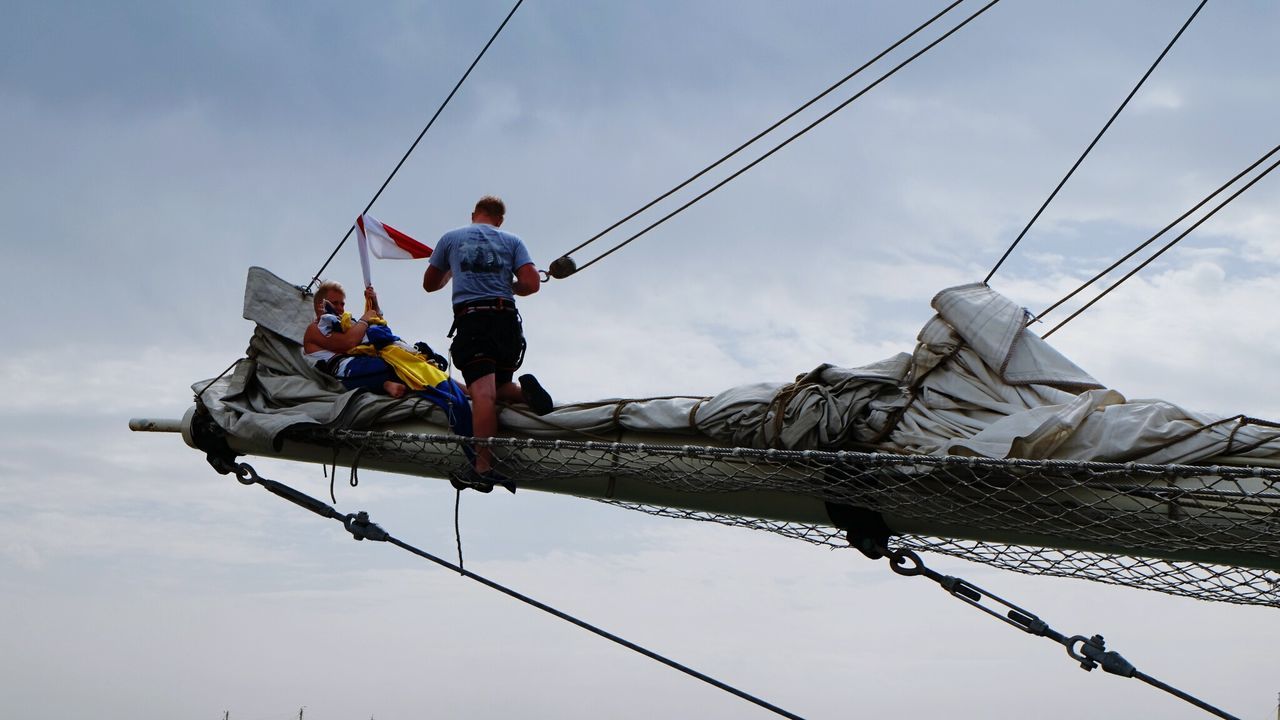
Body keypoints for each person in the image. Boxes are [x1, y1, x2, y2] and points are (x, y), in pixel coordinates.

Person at [423, 195, 554, 486]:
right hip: (507, 323)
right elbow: (531, 284)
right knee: (494, 386)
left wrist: (450, 272)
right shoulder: (513, 240)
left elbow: (430, 284)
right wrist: (511, 286)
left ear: (474, 214)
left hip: (474, 320)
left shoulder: (451, 238)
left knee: (482, 394)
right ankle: (523, 393)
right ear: (500, 220)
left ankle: (481, 469)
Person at [303, 282, 409, 398]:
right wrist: (364, 319)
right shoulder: (314, 329)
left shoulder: (343, 325)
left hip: (360, 363)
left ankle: (390, 383)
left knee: (400, 360)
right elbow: (348, 342)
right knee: (382, 367)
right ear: (321, 305)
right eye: (335, 303)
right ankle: (385, 384)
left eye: (342, 304)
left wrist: (374, 304)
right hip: (343, 373)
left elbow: (371, 331)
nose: (340, 308)